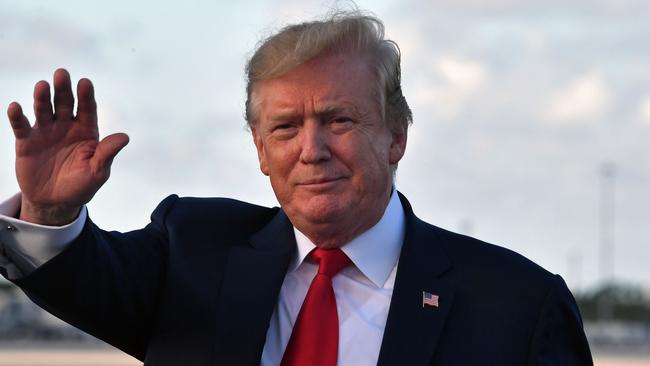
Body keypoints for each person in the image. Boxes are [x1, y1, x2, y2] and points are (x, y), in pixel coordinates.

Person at [0, 11, 593, 366]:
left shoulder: (518, 307)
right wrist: (50, 210)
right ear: (261, 150)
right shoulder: (192, 255)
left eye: (338, 120)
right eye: (285, 127)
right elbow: (80, 274)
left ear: (396, 136)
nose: (312, 150)